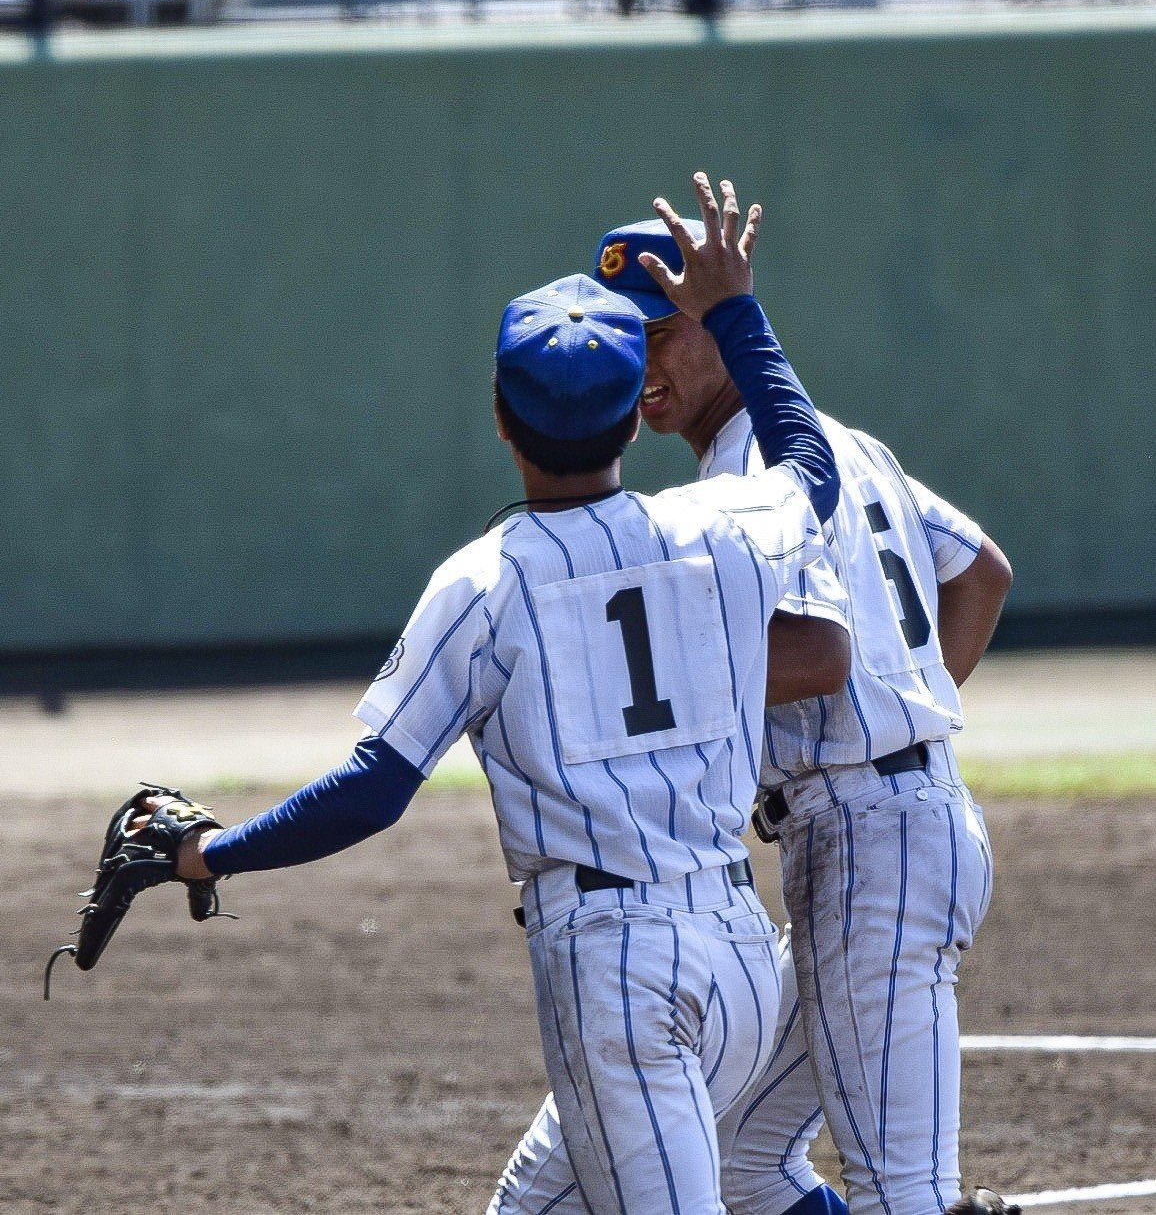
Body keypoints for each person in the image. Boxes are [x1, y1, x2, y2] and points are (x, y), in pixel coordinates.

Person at [136, 176, 852, 1214]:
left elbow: (373, 791)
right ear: (627, 411)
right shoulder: (717, 527)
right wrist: (735, 309)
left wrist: (207, 851)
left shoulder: (484, 581)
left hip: (616, 971)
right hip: (740, 956)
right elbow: (811, 470)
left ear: (499, 414)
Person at [490, 210, 1013, 1215]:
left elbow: (816, 657)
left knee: (900, 1189)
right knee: (740, 1154)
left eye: (664, 330)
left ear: (721, 326)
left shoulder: (746, 469)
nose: (643, 361)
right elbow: (978, 572)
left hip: (875, 841)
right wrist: (909, 714)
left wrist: (882, 733)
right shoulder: (841, 443)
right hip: (883, 827)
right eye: (625, 337)